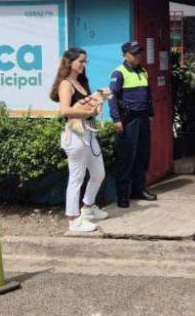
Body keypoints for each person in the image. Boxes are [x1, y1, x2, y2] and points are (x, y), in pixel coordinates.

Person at [50, 47, 109, 234]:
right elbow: (65, 111)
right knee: (76, 177)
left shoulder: (82, 82)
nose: (84, 64)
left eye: (85, 61)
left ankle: (88, 208)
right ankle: (73, 220)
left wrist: (96, 106)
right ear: (70, 62)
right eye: (81, 61)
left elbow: (87, 106)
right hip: (75, 135)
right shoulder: (66, 84)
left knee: (99, 173)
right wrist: (89, 112)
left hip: (89, 133)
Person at [109, 40, 156, 208]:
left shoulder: (143, 72)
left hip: (143, 118)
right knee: (126, 157)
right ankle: (123, 195)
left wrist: (150, 114)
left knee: (143, 155)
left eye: (139, 53)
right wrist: (116, 119)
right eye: (134, 53)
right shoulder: (119, 73)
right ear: (125, 55)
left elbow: (148, 95)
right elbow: (112, 97)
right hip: (128, 120)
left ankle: (139, 189)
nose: (137, 56)